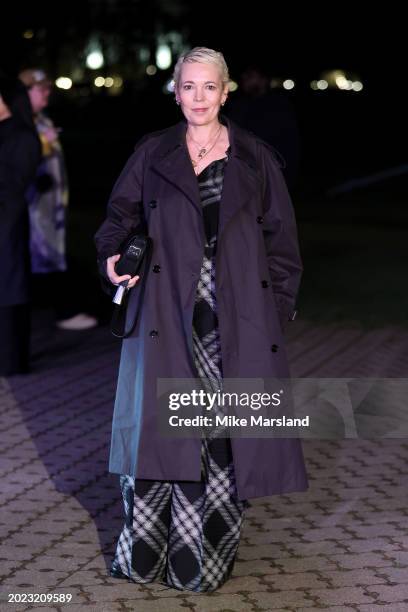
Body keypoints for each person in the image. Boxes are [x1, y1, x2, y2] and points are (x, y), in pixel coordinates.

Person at [94, 47, 308, 592]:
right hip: (165, 316)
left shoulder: (256, 157)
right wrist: (114, 258)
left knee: (219, 437)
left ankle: (198, 562)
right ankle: (143, 555)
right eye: (188, 87)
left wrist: (272, 315)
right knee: (158, 433)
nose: (198, 97)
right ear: (176, 92)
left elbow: (282, 246)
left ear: (226, 91)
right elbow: (117, 219)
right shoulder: (153, 153)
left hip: (234, 326)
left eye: (208, 87)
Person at [18, 68, 97, 330]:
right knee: (39, 259)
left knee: (45, 258)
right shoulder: (19, 123)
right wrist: (44, 144)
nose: (47, 93)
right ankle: (63, 312)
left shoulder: (41, 119)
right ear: (25, 92)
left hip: (50, 206)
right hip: (31, 208)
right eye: (41, 89)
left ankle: (56, 312)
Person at [0, 77, 41, 375]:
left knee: (10, 283)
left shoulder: (22, 135)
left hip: (8, 219)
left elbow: (16, 182)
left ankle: (12, 359)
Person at [225, 63, 301, 191]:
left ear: (263, 80)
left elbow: (285, 143)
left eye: (250, 76)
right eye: (244, 76)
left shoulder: (278, 106)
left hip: (269, 172)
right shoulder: (239, 105)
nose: (245, 79)